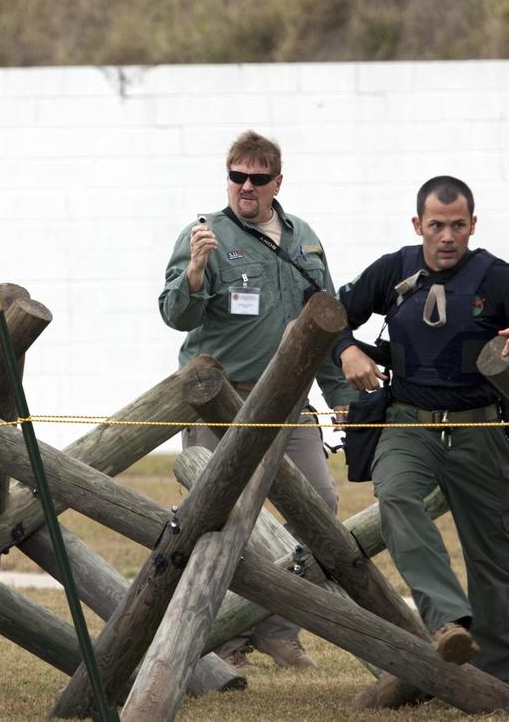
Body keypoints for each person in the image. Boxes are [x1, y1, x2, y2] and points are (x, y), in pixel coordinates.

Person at [334, 175, 509, 699]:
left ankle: (501, 689)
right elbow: (329, 316)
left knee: (491, 562)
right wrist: (345, 349)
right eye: (436, 225)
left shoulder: (497, 277)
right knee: (395, 496)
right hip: (407, 425)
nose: (447, 236)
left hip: (480, 432)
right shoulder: (393, 269)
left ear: (472, 225)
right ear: (417, 224)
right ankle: (447, 622)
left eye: (457, 225)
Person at [159, 130, 357, 670]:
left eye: (257, 178)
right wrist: (196, 272)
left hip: (290, 403)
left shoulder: (305, 239)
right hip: (223, 399)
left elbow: (327, 321)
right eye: (237, 176)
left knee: (319, 507)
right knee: (219, 520)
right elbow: (175, 314)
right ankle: (224, 641)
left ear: (277, 182)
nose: (246, 186)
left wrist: (341, 395)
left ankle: (277, 629)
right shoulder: (205, 234)